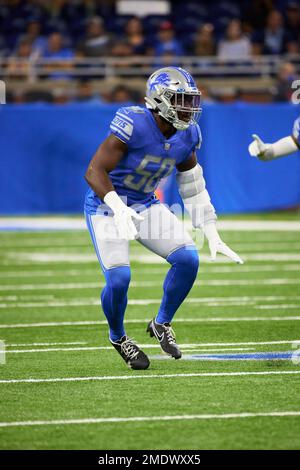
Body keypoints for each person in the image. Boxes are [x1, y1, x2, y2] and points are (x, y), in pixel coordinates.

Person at [84, 67, 243, 370]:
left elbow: (192, 186)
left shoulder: (189, 134)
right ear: (159, 99)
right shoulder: (135, 123)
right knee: (119, 279)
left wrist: (210, 231)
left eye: (191, 100)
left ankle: (161, 323)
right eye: (180, 100)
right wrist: (118, 207)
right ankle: (119, 338)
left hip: (145, 204)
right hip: (107, 206)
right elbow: (94, 171)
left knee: (188, 259)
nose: (188, 108)